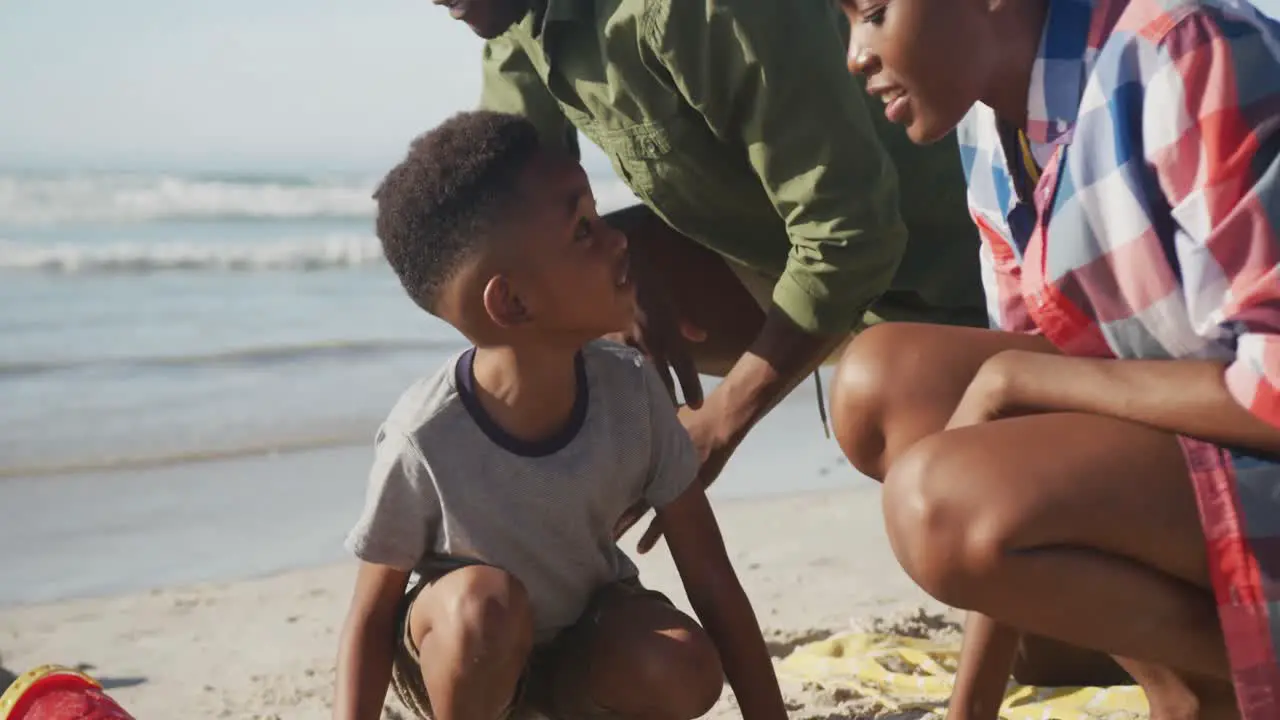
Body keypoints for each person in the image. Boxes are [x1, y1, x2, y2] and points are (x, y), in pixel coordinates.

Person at [828, 0, 1280, 717]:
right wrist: (968, 708)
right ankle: (1192, 695)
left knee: (943, 495)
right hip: (1214, 461)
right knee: (886, 383)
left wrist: (1024, 374)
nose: (855, 54)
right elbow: (993, 439)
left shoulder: (1183, 51)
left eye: (876, 11)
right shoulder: (988, 123)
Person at [433, 0, 988, 548]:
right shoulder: (516, 18)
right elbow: (508, 240)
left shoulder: (698, 11)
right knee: (545, 294)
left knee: (945, 521)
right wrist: (613, 254)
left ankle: (961, 427)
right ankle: (560, 564)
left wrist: (720, 423)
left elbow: (854, 234)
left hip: (963, 284)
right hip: (809, 264)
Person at [331, 111, 788, 720]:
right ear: (513, 301)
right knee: (481, 609)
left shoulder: (631, 391)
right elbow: (371, 617)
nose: (619, 239)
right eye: (583, 231)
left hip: (582, 645)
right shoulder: (425, 438)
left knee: (682, 662)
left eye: (598, 217)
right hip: (466, 666)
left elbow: (711, 578)